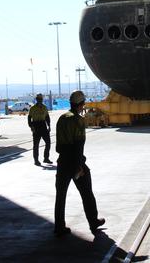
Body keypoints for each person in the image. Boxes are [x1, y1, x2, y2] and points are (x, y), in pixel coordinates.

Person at [53, 90, 105, 236]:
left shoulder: (62, 119)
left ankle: (59, 227)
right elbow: (79, 145)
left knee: (60, 195)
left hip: (62, 161)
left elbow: (58, 146)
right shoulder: (78, 121)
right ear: (81, 104)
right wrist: (79, 166)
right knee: (87, 193)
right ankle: (93, 221)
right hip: (75, 161)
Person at [28, 93, 52, 166]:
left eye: (41, 99)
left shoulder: (44, 107)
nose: (39, 100)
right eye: (38, 99)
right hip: (36, 126)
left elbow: (47, 117)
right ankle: (36, 160)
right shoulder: (32, 108)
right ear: (36, 99)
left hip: (43, 125)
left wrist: (49, 126)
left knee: (48, 142)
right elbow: (29, 118)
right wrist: (31, 127)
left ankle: (46, 158)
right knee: (36, 145)